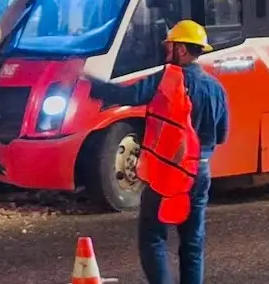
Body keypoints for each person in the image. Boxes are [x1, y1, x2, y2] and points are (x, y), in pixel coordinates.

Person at [86, 19, 228, 284]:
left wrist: (90, 83)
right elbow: (220, 136)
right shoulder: (216, 88)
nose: (167, 52)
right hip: (199, 172)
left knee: (153, 238)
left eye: (170, 46)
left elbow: (128, 95)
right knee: (192, 243)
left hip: (166, 172)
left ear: (182, 50)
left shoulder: (166, 80)